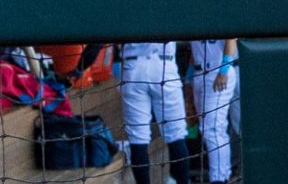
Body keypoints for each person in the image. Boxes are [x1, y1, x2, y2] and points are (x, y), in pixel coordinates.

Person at [65, 44, 194, 184]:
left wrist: (78, 69)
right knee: (176, 134)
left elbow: (99, 38)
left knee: (138, 138)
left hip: (133, 68)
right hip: (164, 66)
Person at [187, 39, 239, 184]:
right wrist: (188, 78)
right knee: (208, 129)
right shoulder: (192, 18)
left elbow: (231, 39)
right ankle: (222, 175)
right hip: (199, 73)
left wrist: (224, 70)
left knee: (213, 129)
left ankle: (219, 179)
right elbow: (193, 51)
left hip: (217, 71)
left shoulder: (219, 16)